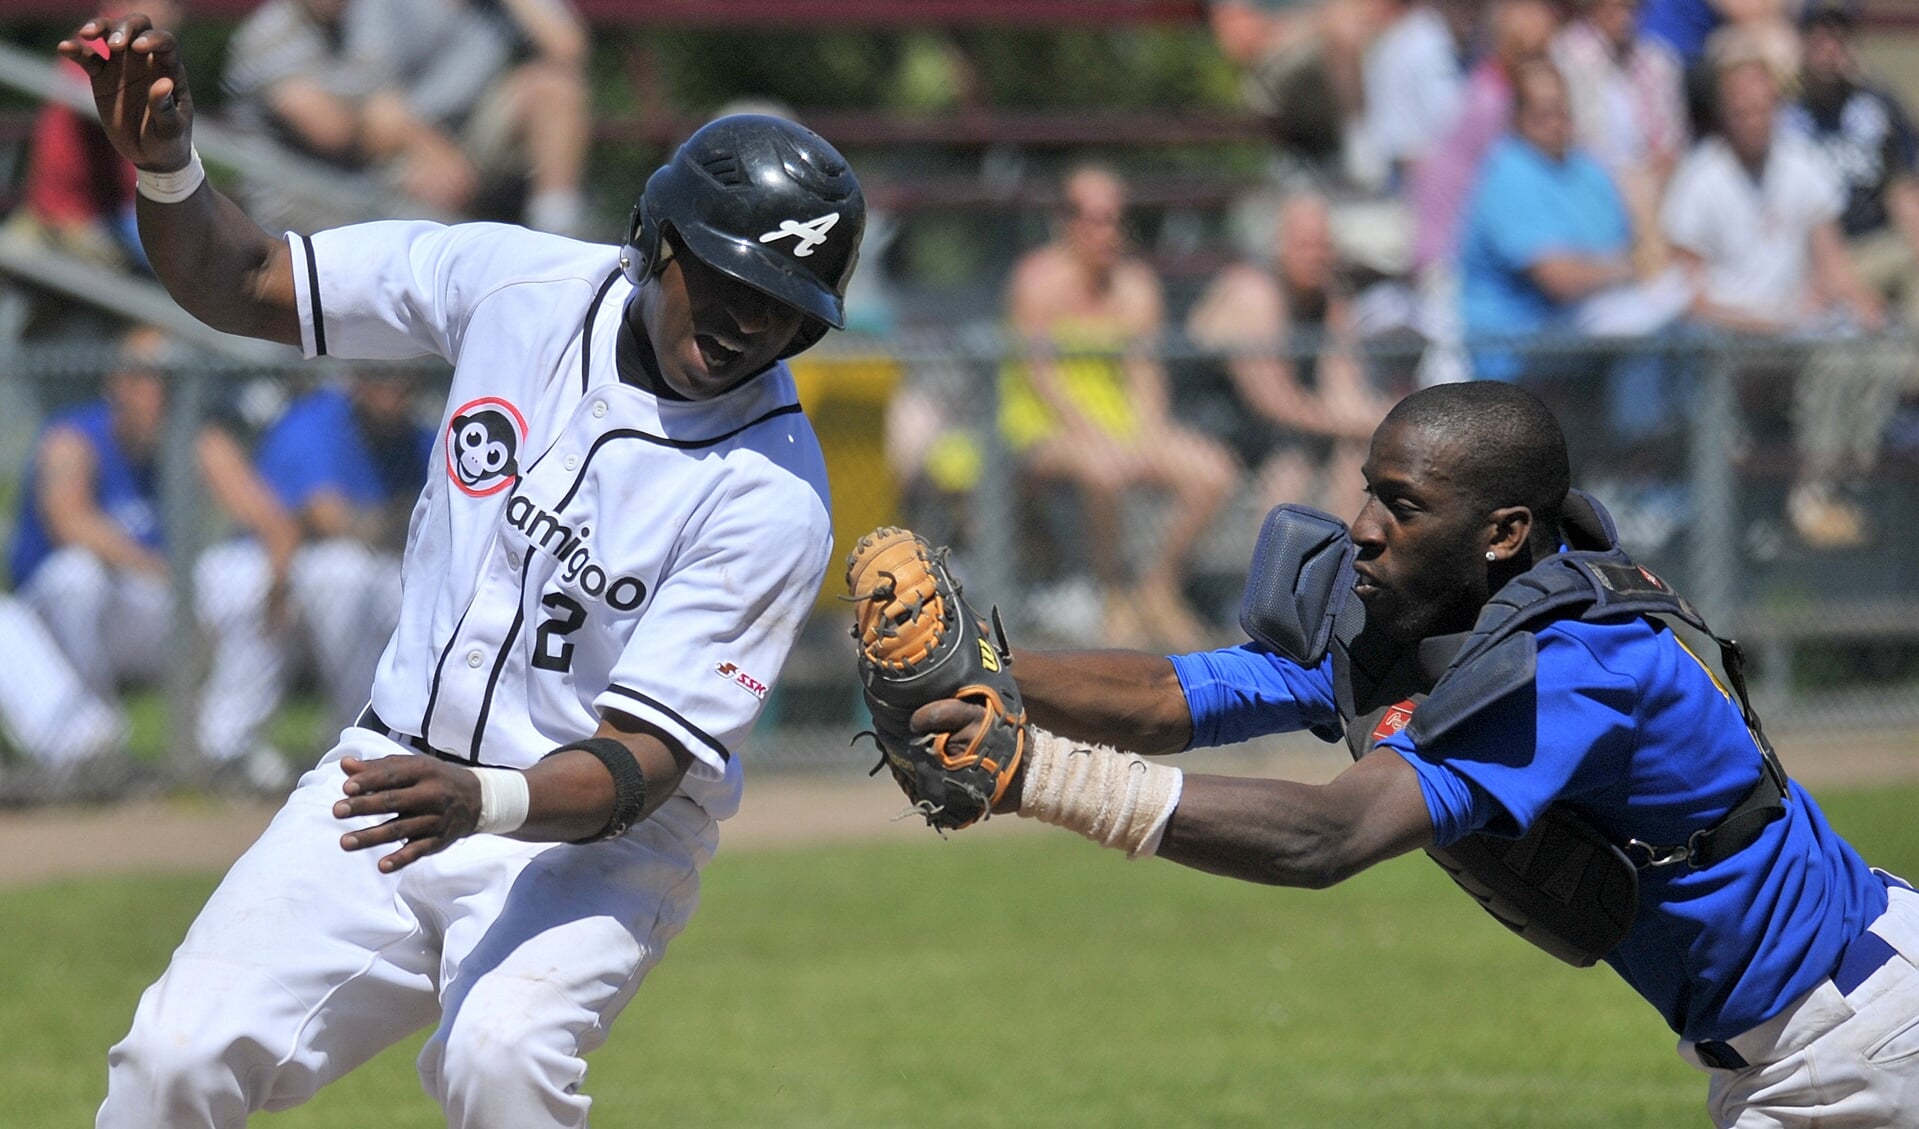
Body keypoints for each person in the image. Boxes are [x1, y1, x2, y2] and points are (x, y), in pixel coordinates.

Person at [65, 13, 863, 1127]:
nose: (744, 326)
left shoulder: (773, 494)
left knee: (501, 1058)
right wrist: (166, 166)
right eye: (726, 283)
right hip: (391, 773)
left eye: (782, 311)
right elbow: (248, 276)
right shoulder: (515, 283)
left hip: (595, 843)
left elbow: (641, 762)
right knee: (174, 1061)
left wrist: (485, 801)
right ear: (657, 241)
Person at [908, 379, 1919, 1128]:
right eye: (1367, 491)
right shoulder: (1440, 616)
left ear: (1502, 531)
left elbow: (1327, 836)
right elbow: (1189, 693)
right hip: (1809, 1031)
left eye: (1402, 502)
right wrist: (983, 667)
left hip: (1854, 1035)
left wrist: (1034, 774)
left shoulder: (1575, 669)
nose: (1361, 527)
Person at [1662, 52, 1899, 549]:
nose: (1754, 120)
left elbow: (1831, 258)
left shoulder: (1800, 163)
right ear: (1724, 114)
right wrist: (1763, 322)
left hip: (1797, 329)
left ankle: (1842, 481)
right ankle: (1810, 496)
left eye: (1763, 108)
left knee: (1876, 355)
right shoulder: (1700, 178)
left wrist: (1864, 306)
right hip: (1732, 343)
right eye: (1742, 110)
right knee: (1832, 363)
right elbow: (1685, 294)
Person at [1002, 164, 1238, 652]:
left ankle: (1157, 587)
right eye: (1093, 218)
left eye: (1114, 218)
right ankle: (1112, 595)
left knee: (1213, 471)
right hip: (1041, 428)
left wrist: (1150, 433)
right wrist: (1096, 436)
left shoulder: (1136, 285)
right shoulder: (1038, 280)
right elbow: (1041, 378)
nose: (1106, 231)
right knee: (1105, 470)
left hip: (1118, 428)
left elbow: (1145, 373)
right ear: (1066, 222)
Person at [193, 370, 434, 791]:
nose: (393, 393)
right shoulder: (317, 421)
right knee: (334, 574)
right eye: (383, 381)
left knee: (400, 591)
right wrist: (399, 517)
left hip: (358, 572)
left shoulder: (421, 438)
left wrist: (390, 524)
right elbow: (328, 518)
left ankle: (365, 736)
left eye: (404, 384)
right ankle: (227, 748)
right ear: (357, 383)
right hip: (266, 562)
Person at [223, 0, 590, 237]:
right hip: (299, 216)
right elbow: (334, 129)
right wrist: (417, 150)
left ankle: (559, 235)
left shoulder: (339, 27)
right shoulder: (270, 35)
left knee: (555, 89)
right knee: (439, 236)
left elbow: (569, 49)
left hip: (367, 188)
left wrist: (423, 149)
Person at [1183, 190, 1394, 518]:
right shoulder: (1253, 293)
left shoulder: (1329, 297)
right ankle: (1273, 567)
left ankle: (1352, 561)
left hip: (1279, 428)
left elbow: (1342, 386)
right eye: (1304, 244)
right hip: (1208, 425)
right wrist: (1357, 422)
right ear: (1277, 244)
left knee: (1354, 453)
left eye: (1324, 244)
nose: (1317, 255)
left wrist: (1377, 419)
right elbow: (1272, 401)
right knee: (1291, 468)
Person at [1783, 0, 1919, 330]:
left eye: (1839, 36)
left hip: (1874, 245)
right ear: (1801, 41)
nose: (1829, 46)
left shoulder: (1876, 106)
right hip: (1806, 256)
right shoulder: (1783, 114)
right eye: (1819, 35)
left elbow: (1901, 190)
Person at [1550, 0, 1689, 276]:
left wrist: (1655, 174)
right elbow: (1572, 142)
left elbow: (1673, 142)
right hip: (1589, 182)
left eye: (1630, 7)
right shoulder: (1566, 57)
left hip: (1650, 183)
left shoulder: (1658, 60)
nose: (1622, 15)